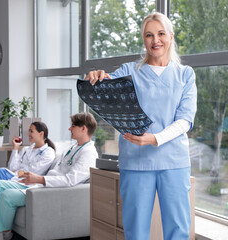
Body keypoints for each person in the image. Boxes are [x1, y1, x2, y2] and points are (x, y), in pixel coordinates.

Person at [84, 12, 197, 240]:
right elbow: (105, 89)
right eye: (149, 35)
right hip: (136, 162)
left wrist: (154, 139)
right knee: (136, 232)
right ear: (143, 39)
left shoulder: (185, 75)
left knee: (178, 230)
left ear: (171, 37)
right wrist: (95, 77)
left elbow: (185, 120)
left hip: (174, 162)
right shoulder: (129, 72)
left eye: (161, 34)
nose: (156, 40)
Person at [0, 112, 98, 240]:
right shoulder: (72, 148)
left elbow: (70, 180)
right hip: (44, 185)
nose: (69, 129)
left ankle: (1, 235)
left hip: (53, 190)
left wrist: (40, 179)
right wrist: (39, 180)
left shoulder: (88, 153)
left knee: (8, 195)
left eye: (73, 126)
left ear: (83, 128)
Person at [0, 121, 56, 240]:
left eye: (31, 131)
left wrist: (18, 173)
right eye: (29, 131)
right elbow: (12, 167)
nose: (28, 134)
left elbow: (32, 173)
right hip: (16, 177)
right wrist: (15, 149)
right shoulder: (27, 149)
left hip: (26, 182)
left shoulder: (48, 153)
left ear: (41, 133)